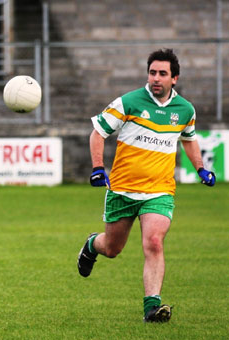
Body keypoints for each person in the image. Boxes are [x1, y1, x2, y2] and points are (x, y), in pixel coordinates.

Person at [77, 48, 216, 323]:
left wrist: (200, 168)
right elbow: (98, 133)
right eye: (152, 72)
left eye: (162, 74)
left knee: (154, 242)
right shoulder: (128, 102)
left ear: (174, 78)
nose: (156, 78)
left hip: (159, 190)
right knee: (113, 248)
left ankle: (152, 308)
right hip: (122, 189)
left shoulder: (185, 109)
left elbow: (188, 138)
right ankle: (92, 245)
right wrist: (96, 168)